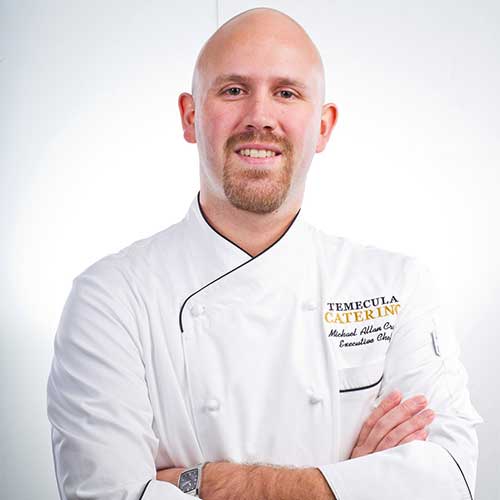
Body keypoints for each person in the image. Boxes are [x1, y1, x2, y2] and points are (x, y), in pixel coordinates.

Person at [47, 7, 483, 500]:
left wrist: (208, 482)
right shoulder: (110, 299)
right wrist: (353, 484)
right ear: (191, 117)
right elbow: (107, 494)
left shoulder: (398, 286)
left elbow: (449, 479)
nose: (259, 117)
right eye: (234, 90)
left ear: (323, 126)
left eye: (287, 93)